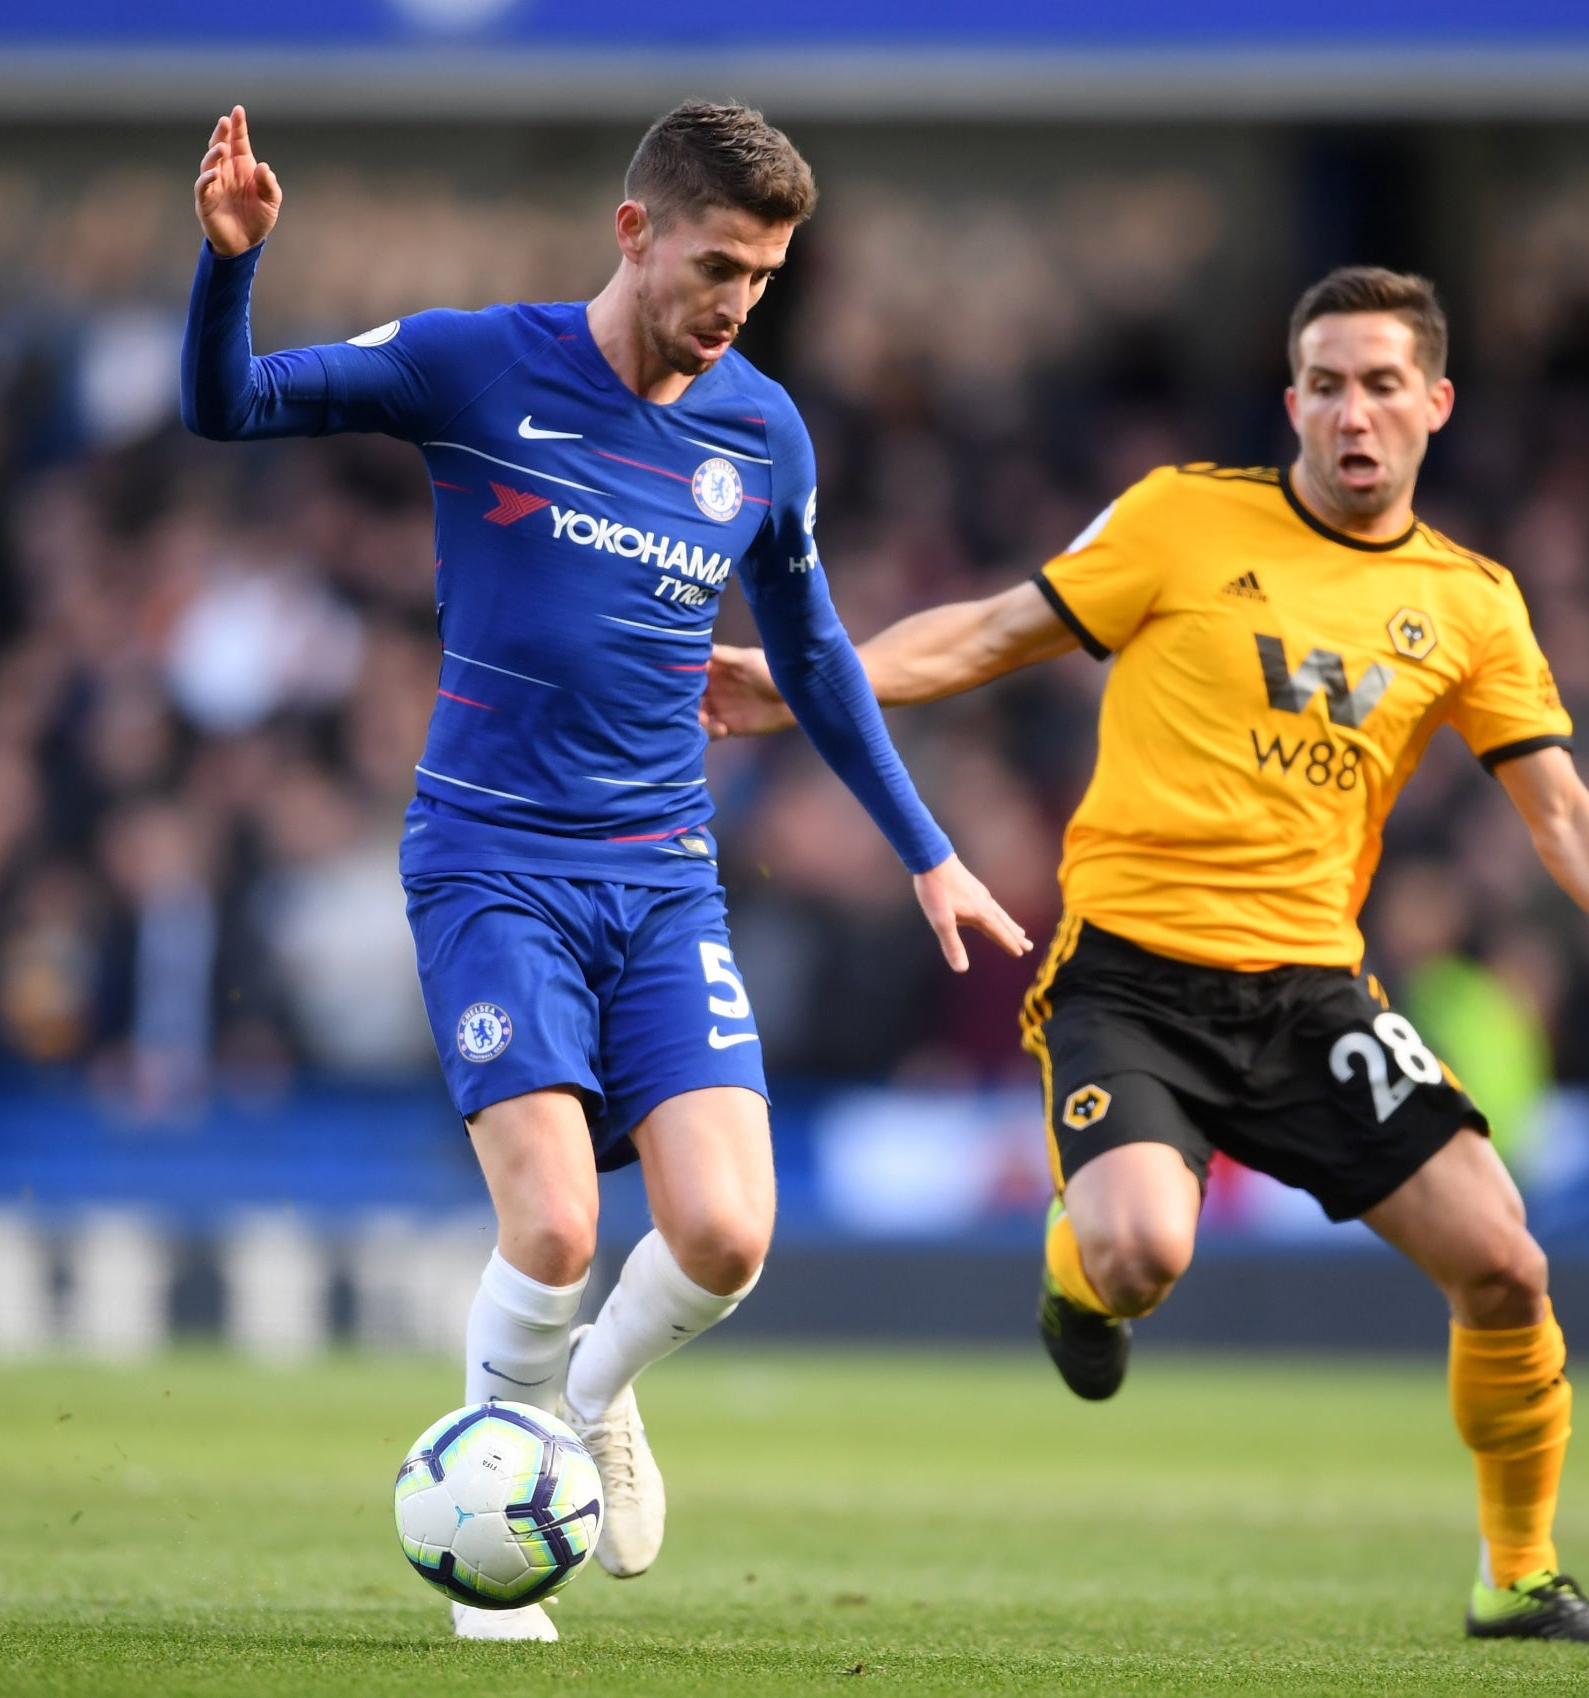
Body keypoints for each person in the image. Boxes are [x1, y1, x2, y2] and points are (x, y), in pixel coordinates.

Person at [704, 266, 1589, 1645]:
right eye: (1329, 384)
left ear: (1436, 405)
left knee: (1508, 1264)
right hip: (1132, 973)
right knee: (1143, 1250)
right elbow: (993, 629)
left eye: (1384, 384)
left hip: (1310, 995)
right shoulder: (1183, 516)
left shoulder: (1473, 603)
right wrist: (815, 681)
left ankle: (1518, 1574)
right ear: (1293, 400)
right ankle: (1075, 1263)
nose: (1354, 412)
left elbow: (1564, 814)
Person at [183, 102, 1027, 1640]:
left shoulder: (762, 430)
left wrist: (930, 850)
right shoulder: (474, 363)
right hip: (491, 862)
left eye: (764, 279)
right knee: (560, 1229)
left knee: (726, 1238)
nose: (736, 304)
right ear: (635, 230)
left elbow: (819, 654)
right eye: (717, 265)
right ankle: (489, 1568)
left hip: (662, 878)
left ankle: (587, 1386)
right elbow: (228, 405)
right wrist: (230, 263)